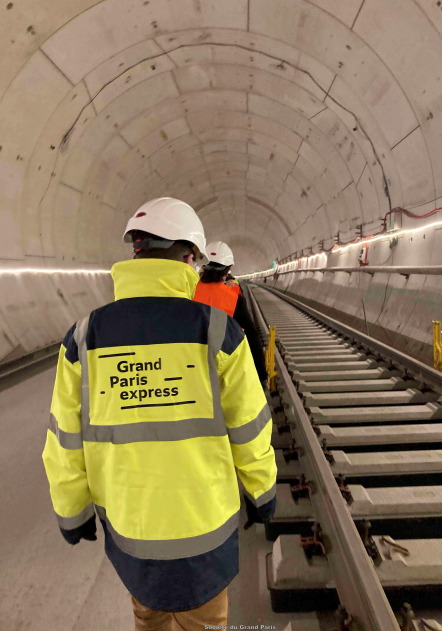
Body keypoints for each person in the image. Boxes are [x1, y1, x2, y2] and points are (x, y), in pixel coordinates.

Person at [42, 197, 277, 631]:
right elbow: (249, 428)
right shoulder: (218, 331)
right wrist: (262, 494)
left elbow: (64, 440)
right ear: (190, 258)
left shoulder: (82, 337)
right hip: (206, 535)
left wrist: (72, 512)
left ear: (136, 253)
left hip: (133, 537)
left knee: (148, 619)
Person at [193, 241, 268, 386]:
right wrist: (261, 375)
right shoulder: (233, 298)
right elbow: (251, 336)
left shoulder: (188, 290)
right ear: (228, 270)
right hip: (223, 369)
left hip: (190, 364)